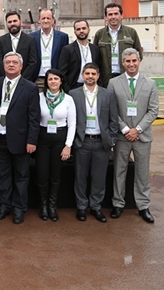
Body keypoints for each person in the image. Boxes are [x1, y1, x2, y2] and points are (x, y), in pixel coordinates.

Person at [108, 48, 159, 223]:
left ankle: (143, 206)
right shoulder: (113, 83)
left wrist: (137, 129)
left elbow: (153, 110)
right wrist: (124, 129)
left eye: (134, 61)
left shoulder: (150, 84)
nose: (131, 64)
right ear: (122, 63)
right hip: (122, 136)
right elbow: (111, 109)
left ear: (139, 61)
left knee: (142, 172)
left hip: (142, 136)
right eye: (127, 61)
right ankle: (118, 203)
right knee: (119, 171)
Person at [0, 51, 39, 224]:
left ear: (21, 66)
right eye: (8, 62)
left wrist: (32, 140)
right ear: (3, 66)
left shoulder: (30, 87)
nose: (11, 65)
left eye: (14, 62)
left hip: (20, 139)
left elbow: (34, 117)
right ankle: (4, 205)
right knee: (2, 175)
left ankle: (19, 208)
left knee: (21, 176)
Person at [71, 63, 119, 223]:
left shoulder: (108, 95)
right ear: (82, 75)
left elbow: (113, 120)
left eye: (93, 73)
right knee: (80, 176)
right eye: (87, 73)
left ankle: (96, 207)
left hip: (101, 142)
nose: (90, 76)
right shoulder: (73, 94)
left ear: (98, 76)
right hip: (82, 142)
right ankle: (82, 207)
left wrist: (111, 140)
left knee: (98, 177)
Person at [35, 68, 76, 222]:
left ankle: (52, 206)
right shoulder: (39, 97)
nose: (53, 81)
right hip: (42, 139)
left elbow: (72, 124)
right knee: (42, 174)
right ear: (46, 81)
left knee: (55, 175)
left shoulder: (68, 100)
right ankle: (43, 206)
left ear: (61, 81)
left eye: (56, 79)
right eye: (50, 79)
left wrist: (68, 145)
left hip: (60, 139)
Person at [92, 3, 144, 86]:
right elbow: (94, 57)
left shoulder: (131, 32)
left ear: (122, 15)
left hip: (125, 77)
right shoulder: (99, 34)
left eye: (116, 14)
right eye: (110, 14)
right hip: (105, 79)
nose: (113, 17)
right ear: (105, 17)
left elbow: (139, 56)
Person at [58, 20, 103, 90]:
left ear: (89, 30)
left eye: (84, 28)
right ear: (74, 32)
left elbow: (100, 69)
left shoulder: (95, 49)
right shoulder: (67, 49)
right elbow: (62, 72)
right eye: (78, 29)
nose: (81, 31)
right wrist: (67, 89)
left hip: (93, 86)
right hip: (74, 87)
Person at [31, 9, 70, 91]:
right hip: (38, 79)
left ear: (53, 20)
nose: (46, 21)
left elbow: (65, 59)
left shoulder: (63, 37)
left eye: (48, 18)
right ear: (39, 20)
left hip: (55, 79)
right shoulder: (31, 37)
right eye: (43, 18)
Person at [0, 11, 38, 81]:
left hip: (25, 81)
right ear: (6, 24)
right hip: (5, 80)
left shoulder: (30, 40)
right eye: (9, 22)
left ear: (20, 22)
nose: (12, 24)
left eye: (15, 21)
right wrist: (8, 78)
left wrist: (21, 80)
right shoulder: (0, 41)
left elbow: (32, 62)